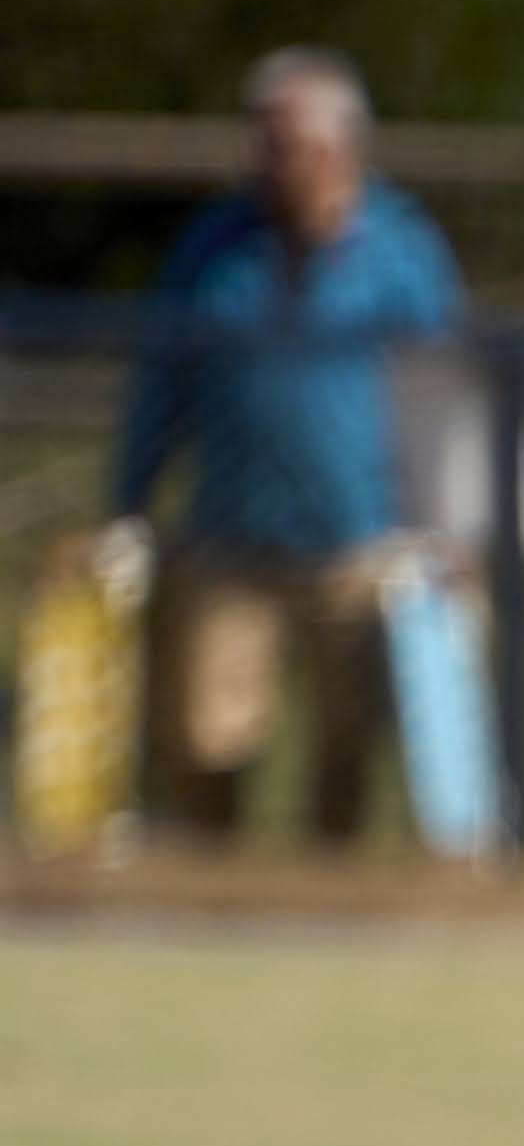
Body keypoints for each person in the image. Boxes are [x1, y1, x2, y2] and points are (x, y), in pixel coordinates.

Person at [104, 47, 466, 847]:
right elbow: (162, 385)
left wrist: (449, 525)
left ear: (340, 147)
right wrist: (126, 502)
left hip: (361, 544)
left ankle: (323, 909)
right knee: (204, 738)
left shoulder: (403, 253)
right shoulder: (215, 246)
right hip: (231, 538)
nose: (265, 160)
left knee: (348, 743)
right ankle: (213, 890)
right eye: (260, 140)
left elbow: (442, 402)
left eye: (284, 142)